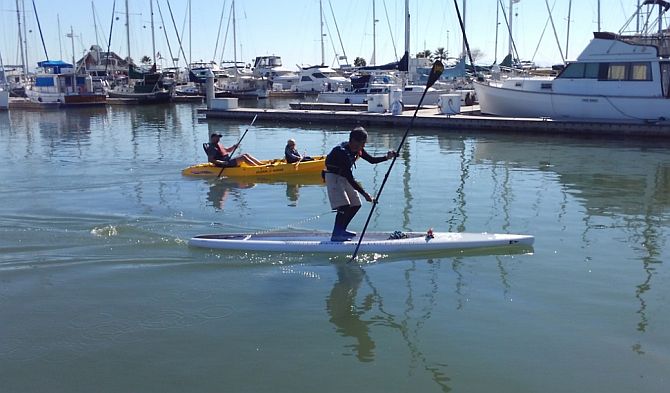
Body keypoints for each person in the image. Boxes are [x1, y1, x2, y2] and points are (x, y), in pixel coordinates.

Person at [323, 126, 397, 241]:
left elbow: (371, 160)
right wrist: (365, 193)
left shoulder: (358, 149)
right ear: (352, 140)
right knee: (344, 206)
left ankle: (341, 230)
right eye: (360, 144)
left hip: (344, 177)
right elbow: (350, 178)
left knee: (356, 204)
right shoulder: (342, 152)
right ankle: (336, 235)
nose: (362, 147)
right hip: (333, 177)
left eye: (364, 144)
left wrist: (387, 157)